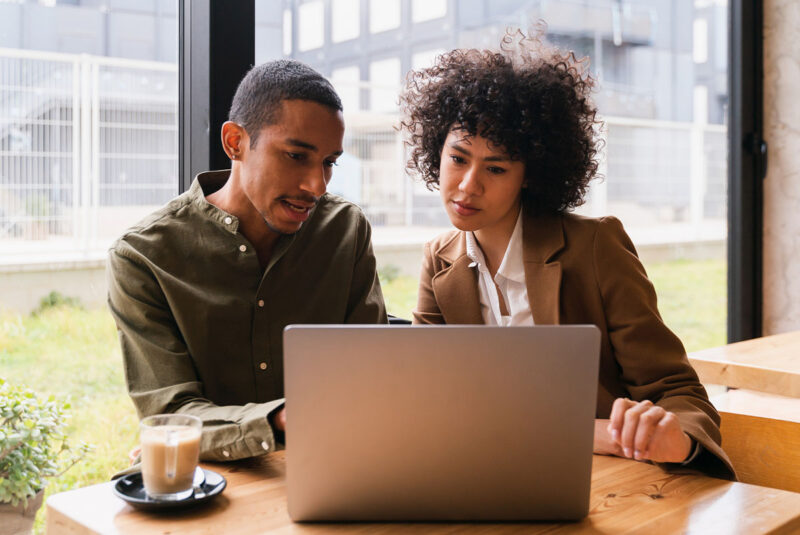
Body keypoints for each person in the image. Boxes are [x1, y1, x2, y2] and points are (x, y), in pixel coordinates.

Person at [399, 30, 735, 479]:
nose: (467, 185)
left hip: (611, 480)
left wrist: (674, 437)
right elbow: (430, 399)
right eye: (458, 158)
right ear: (435, 152)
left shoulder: (595, 248)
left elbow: (678, 391)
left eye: (495, 168)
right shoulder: (439, 262)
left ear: (529, 175)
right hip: (490, 472)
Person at [108, 60, 387, 462]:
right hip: (214, 485)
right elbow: (171, 416)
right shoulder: (143, 258)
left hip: (336, 462)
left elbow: (372, 373)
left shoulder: (345, 229)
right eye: (296, 156)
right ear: (235, 142)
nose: (317, 185)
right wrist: (278, 420)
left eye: (329, 162)